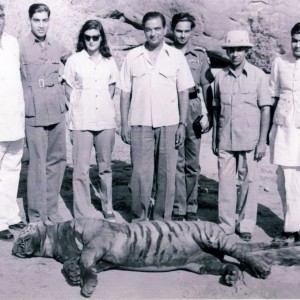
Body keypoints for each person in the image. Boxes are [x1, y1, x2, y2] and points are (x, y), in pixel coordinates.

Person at [118, 11, 194, 221]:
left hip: (169, 124)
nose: (153, 33)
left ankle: (162, 219)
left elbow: (183, 93)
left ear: (165, 30)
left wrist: (182, 124)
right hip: (140, 123)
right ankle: (140, 217)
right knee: (141, 174)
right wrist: (124, 124)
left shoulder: (176, 57)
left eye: (157, 29)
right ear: (144, 31)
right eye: (148, 29)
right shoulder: (132, 56)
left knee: (167, 175)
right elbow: (125, 93)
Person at [212, 30, 272, 242]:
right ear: (226, 52)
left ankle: (246, 224)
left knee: (249, 182)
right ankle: (226, 224)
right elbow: (216, 109)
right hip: (225, 140)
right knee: (225, 183)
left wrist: (263, 141)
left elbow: (266, 109)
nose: (235, 54)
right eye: (231, 50)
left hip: (250, 141)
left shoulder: (258, 76)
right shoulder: (220, 78)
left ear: (247, 50)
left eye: (239, 49)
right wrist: (214, 139)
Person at [19, 3, 71, 222]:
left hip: (56, 108)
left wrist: (65, 85)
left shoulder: (57, 45)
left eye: (44, 20)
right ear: (30, 21)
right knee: (37, 164)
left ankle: (52, 210)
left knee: (58, 160)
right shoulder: (19, 46)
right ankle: (37, 215)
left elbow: (74, 62)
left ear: (49, 21)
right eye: (36, 20)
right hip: (33, 110)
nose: (41, 25)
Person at [64, 20, 118, 221]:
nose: (91, 41)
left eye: (95, 37)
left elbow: (111, 89)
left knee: (105, 167)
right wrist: (78, 107)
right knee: (80, 169)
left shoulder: (109, 61)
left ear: (101, 38)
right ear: (82, 38)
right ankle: (82, 211)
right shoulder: (74, 61)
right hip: (81, 122)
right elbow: (68, 88)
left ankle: (108, 207)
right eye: (87, 37)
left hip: (105, 122)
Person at [170, 13, 214, 221]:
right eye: (179, 30)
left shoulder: (199, 55)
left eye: (186, 31)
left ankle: (192, 206)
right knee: (176, 160)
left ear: (192, 32)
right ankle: (178, 206)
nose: (182, 35)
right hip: (172, 106)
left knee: (192, 162)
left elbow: (206, 86)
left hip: (194, 107)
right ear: (172, 30)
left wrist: (208, 114)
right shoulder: (166, 53)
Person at [269, 23, 300, 243]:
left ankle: (293, 229)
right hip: (283, 127)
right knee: (284, 178)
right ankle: (291, 225)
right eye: (295, 40)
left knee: (295, 179)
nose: (298, 45)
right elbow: (273, 95)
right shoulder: (280, 62)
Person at [0, 3, 27, 241]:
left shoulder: (12, 43)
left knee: (11, 170)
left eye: (0, 15)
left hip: (14, 121)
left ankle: (10, 215)